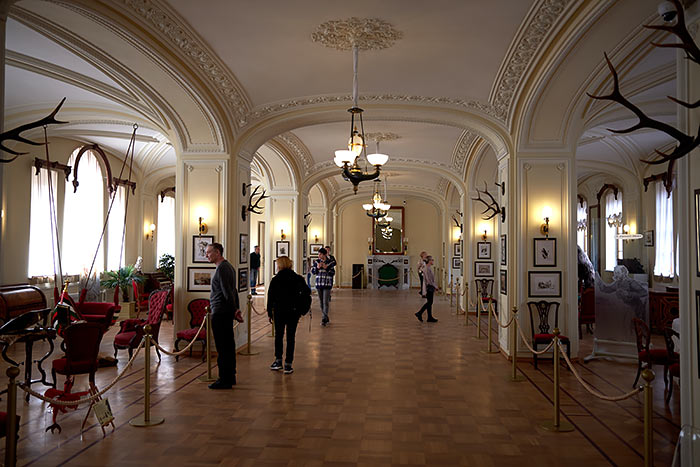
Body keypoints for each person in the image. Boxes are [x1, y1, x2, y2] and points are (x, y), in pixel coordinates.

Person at [206, 242, 244, 389]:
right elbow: (232, 291)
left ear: (217, 252)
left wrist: (235, 310)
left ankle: (225, 379)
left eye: (209, 252)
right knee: (228, 345)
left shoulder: (223, 269)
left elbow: (228, 292)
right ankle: (230, 376)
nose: (206, 255)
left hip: (221, 313)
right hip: (224, 311)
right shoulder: (226, 267)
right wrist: (236, 309)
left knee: (223, 347)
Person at [266, 256, 310, 374]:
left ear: (279, 265)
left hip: (279, 312)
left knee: (279, 336)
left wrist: (270, 313)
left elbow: (270, 298)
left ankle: (278, 360)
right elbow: (307, 292)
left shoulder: (275, 280)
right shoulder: (298, 278)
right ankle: (288, 364)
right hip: (293, 312)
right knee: (291, 338)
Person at [311, 247, 335, 326]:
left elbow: (332, 273)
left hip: (327, 284)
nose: (319, 255)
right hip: (319, 284)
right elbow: (313, 272)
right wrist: (317, 268)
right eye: (318, 254)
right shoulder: (317, 262)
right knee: (321, 302)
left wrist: (326, 268)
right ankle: (325, 316)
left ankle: (324, 318)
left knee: (325, 302)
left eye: (320, 254)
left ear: (324, 254)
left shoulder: (330, 262)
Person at [415, 255, 438, 323]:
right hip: (429, 287)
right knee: (430, 302)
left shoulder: (428, 268)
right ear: (429, 261)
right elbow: (429, 280)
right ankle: (419, 313)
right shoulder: (426, 269)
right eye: (432, 260)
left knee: (429, 302)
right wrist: (435, 286)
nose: (433, 261)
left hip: (429, 286)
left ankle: (429, 317)